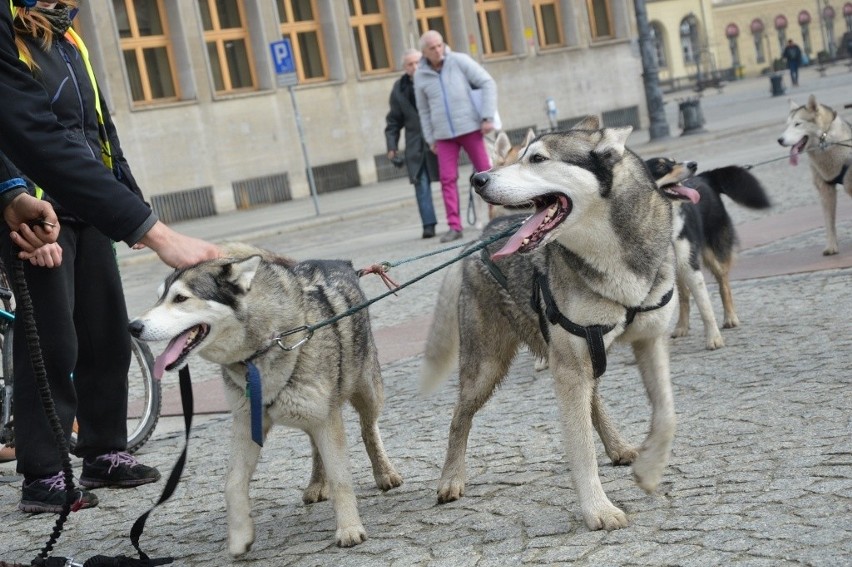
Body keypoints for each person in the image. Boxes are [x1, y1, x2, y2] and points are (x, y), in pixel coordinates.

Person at [0, 0, 218, 515]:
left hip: (90, 205)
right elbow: (18, 130)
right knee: (53, 345)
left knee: (105, 337)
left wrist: (136, 214)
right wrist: (14, 198)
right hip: (38, 212)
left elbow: (101, 133)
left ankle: (104, 450)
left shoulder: (70, 39)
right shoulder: (11, 29)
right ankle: (46, 472)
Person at [414, 30, 497, 243]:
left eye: (440, 45)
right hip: (443, 135)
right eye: (432, 48)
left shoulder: (459, 61)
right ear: (424, 52)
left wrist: (487, 116)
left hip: (470, 127)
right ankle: (454, 226)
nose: (438, 50)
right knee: (447, 179)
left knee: (487, 172)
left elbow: (487, 82)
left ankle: (496, 216)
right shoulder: (420, 76)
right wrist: (430, 138)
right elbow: (423, 110)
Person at [385, 49, 439, 239]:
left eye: (417, 62)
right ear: (404, 68)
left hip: (439, 139)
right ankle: (428, 225)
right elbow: (393, 121)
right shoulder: (399, 89)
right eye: (410, 64)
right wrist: (392, 146)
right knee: (421, 183)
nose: (415, 67)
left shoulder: (434, 78)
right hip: (415, 145)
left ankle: (454, 223)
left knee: (449, 181)